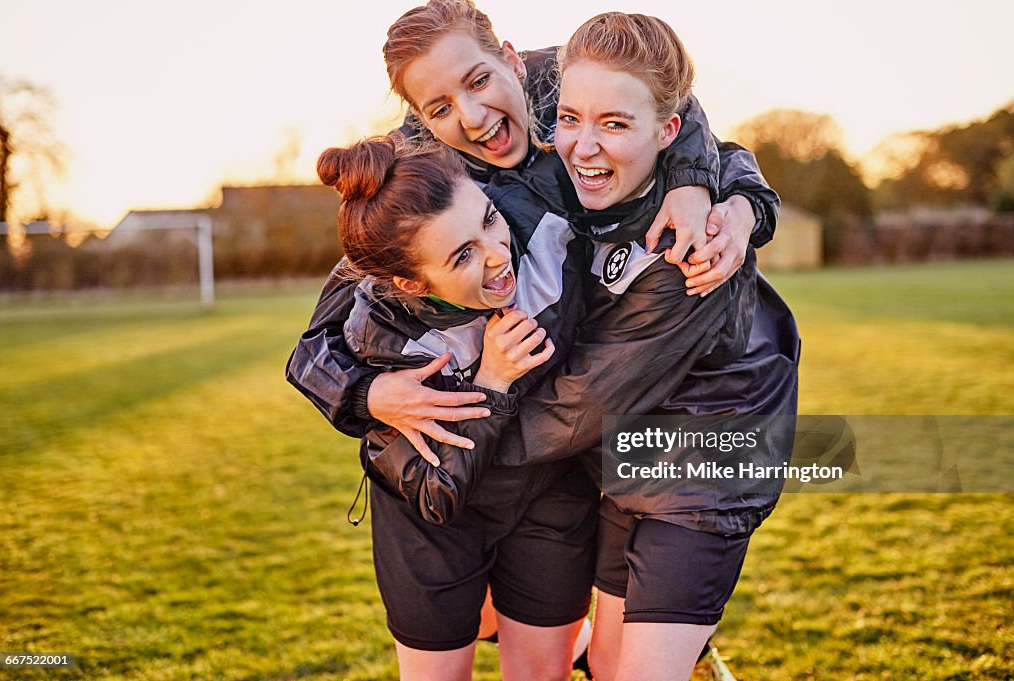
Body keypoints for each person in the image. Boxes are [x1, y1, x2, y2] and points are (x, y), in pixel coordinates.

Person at [287, 0, 779, 462]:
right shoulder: (418, 177)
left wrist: (727, 198)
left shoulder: (566, 80)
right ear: (420, 120)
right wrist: (367, 394)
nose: (473, 117)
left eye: (479, 81)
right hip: (545, 432)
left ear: (512, 61)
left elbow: (671, 94)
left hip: (682, 392)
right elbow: (316, 343)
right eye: (439, 109)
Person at [474, 13, 800, 680]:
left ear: (667, 133)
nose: (583, 146)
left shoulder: (691, 246)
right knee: (601, 657)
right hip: (628, 456)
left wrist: (464, 440)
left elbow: (582, 401)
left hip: (706, 466)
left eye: (615, 125)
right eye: (570, 118)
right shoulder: (580, 178)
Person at [317, 135, 599, 681]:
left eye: (489, 220)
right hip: (431, 525)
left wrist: (717, 193)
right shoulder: (384, 339)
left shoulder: (542, 229)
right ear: (412, 282)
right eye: (463, 255)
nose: (498, 253)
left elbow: (645, 120)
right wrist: (492, 381)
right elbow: (433, 492)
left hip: (548, 496)